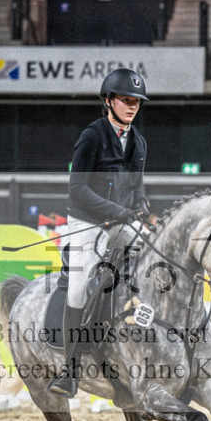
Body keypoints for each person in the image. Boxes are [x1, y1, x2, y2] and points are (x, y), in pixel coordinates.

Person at [48, 68, 150, 398]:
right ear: (108, 101)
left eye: (136, 101)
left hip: (119, 221)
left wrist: (140, 204)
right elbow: (77, 188)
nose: (132, 106)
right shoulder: (92, 136)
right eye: (125, 100)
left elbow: (136, 187)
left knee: (153, 254)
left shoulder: (139, 142)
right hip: (86, 222)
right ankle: (70, 370)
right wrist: (116, 212)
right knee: (79, 287)